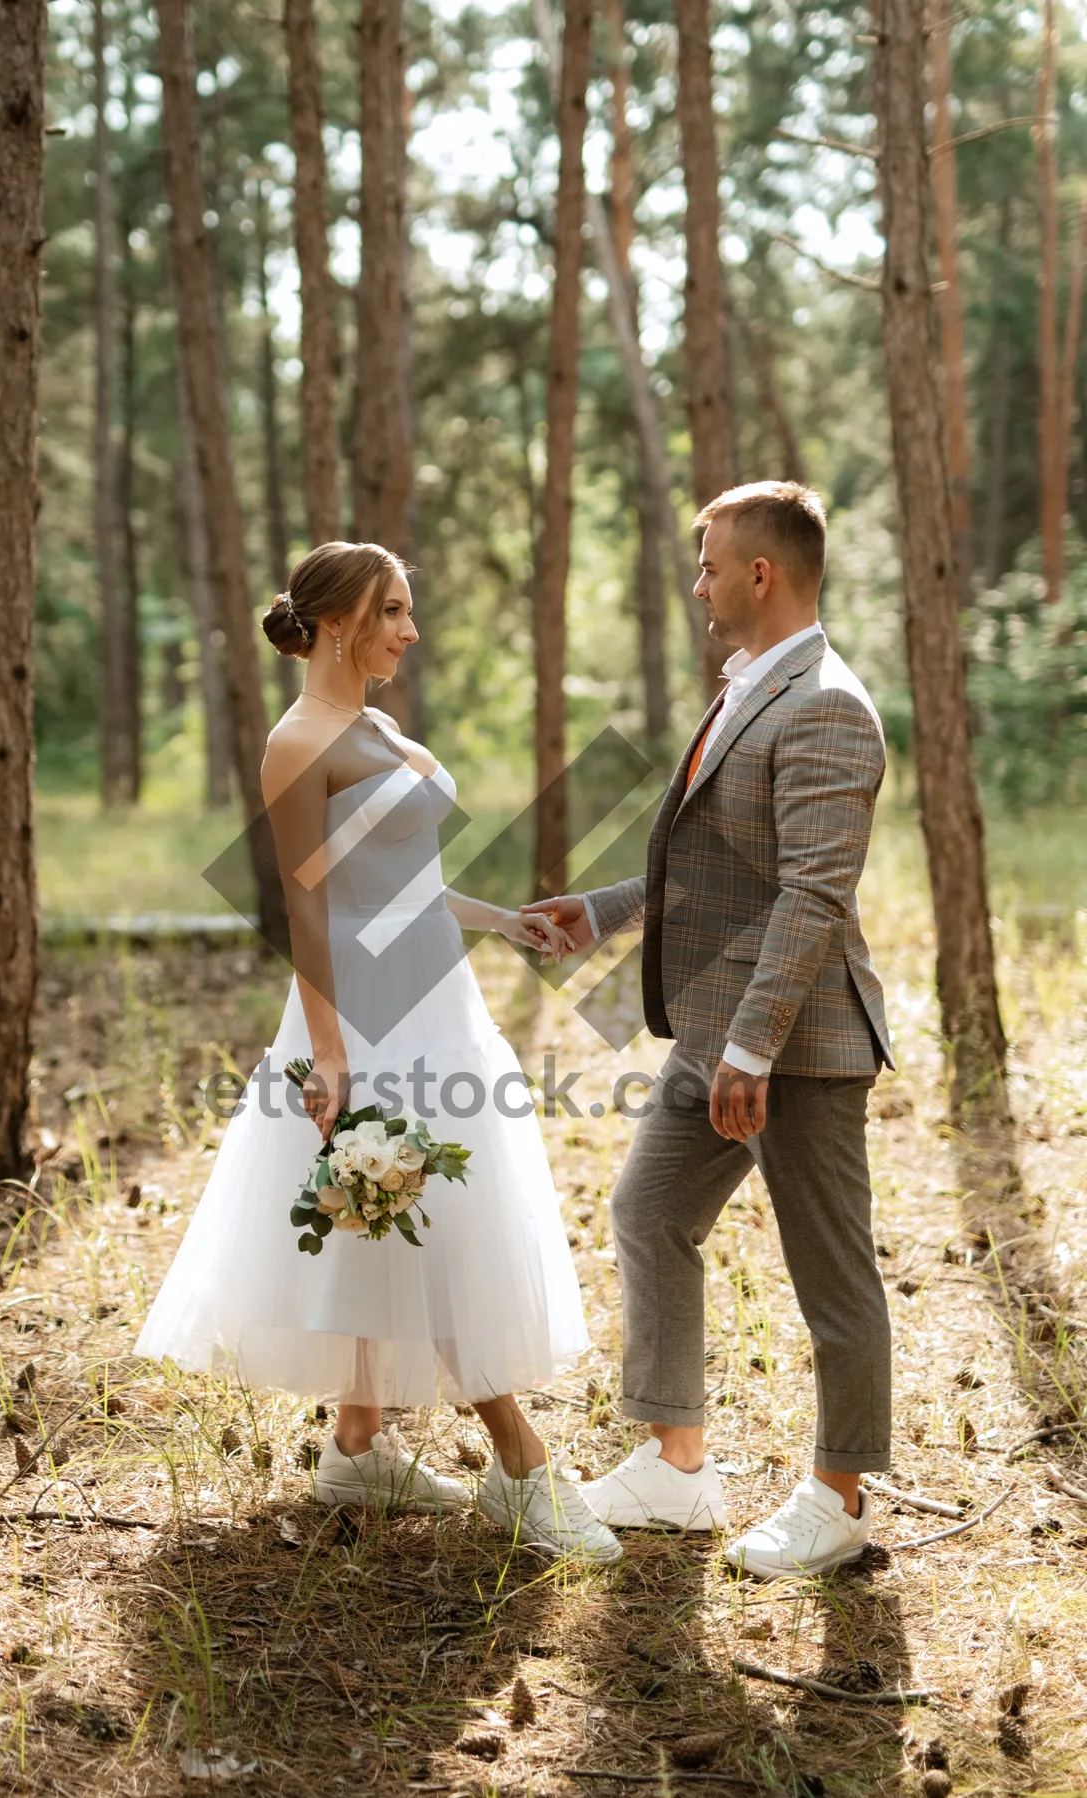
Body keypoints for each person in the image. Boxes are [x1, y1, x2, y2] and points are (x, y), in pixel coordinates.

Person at [135, 540, 621, 1566]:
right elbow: (309, 910)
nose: (409, 629)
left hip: (439, 999)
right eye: (394, 610)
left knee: (399, 1213)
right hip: (362, 1015)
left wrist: (504, 919)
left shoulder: (378, 723)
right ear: (341, 617)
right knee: (425, 1210)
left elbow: (402, 884)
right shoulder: (298, 739)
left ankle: (358, 1444)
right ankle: (522, 1466)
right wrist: (328, 1051)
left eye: (409, 608)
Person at [525, 482, 894, 1579]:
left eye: (708, 563)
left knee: (832, 1272)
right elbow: (711, 859)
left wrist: (751, 1047)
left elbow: (812, 897)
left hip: (795, 1042)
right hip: (718, 1030)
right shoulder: (751, 690)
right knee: (647, 1207)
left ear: (761, 574)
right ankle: (676, 1463)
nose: (699, 584)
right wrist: (594, 912)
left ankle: (839, 1496)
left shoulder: (828, 703)